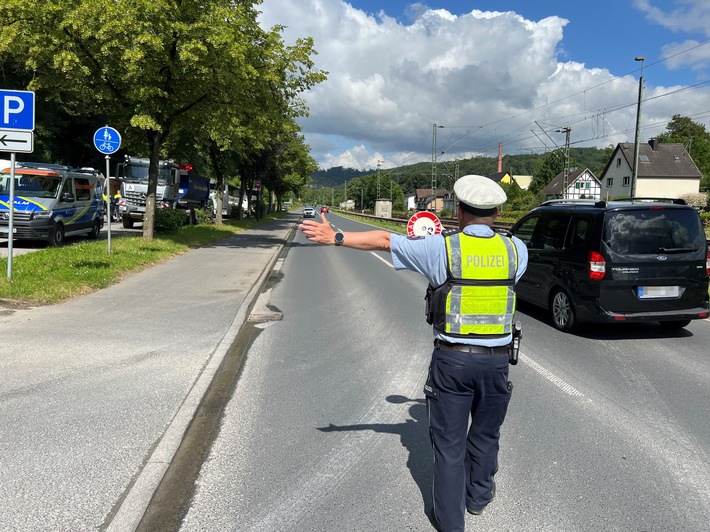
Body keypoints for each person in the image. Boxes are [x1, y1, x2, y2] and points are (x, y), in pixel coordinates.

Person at [299, 174, 528, 532]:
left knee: (449, 446)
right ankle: (479, 498)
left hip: (453, 360)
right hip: (498, 362)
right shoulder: (517, 250)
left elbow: (383, 240)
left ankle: (451, 523)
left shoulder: (442, 248)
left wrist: (337, 236)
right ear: (497, 212)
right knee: (486, 434)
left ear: (460, 212)